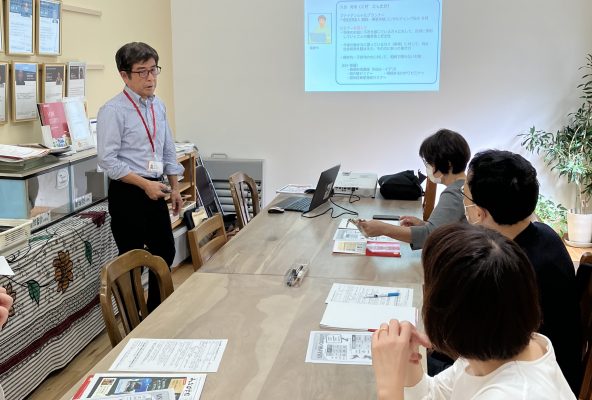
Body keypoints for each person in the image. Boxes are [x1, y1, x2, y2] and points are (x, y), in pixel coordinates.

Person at [371, 223, 576, 400]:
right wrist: (408, 363)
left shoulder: (518, 393)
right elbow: (437, 394)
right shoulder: (494, 343)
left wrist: (389, 389)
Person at [462, 149, 582, 394]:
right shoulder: (542, 233)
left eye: (465, 194)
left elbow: (486, 344)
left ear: (479, 212)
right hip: (537, 367)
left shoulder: (514, 270)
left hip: (530, 382)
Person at [97, 42, 183, 312]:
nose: (151, 78)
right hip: (129, 192)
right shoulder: (113, 111)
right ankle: (133, 319)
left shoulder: (158, 106)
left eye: (154, 70)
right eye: (142, 72)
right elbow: (108, 161)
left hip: (155, 189)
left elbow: (168, 148)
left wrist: (175, 187)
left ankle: (154, 312)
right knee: (131, 261)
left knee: (164, 253)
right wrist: (145, 185)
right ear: (124, 75)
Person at [359, 129, 470, 249]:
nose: (428, 168)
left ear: (448, 164)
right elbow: (446, 227)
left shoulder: (454, 193)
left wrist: (384, 229)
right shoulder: (467, 186)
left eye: (430, 163)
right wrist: (422, 224)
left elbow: (430, 236)